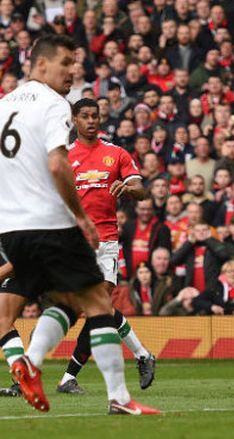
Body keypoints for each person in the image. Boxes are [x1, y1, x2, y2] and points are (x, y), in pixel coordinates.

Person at [0, 35, 157, 415]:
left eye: (75, 62)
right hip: (50, 224)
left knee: (66, 302)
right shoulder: (54, 104)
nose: (73, 70)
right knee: (98, 303)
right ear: (40, 65)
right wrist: (82, 217)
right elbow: (57, 164)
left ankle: (28, 365)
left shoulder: (4, 106)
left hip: (12, 230)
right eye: (65, 62)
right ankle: (119, 398)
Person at [57, 98, 156, 395]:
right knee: (98, 309)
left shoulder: (117, 154)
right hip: (76, 244)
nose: (91, 121)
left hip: (106, 241)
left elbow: (141, 189)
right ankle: (141, 354)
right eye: (85, 116)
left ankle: (68, 378)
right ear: (75, 120)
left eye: (95, 116)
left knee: (99, 306)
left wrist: (128, 187)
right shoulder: (65, 157)